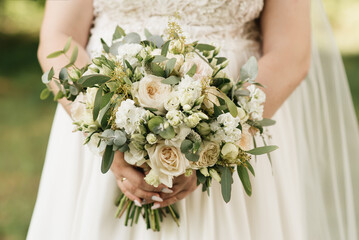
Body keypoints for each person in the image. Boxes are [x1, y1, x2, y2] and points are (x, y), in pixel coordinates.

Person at [27, 0, 359, 239]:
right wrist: (102, 129)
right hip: (103, 129)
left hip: (232, 122)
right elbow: (59, 38)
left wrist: (216, 141)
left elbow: (291, 52)